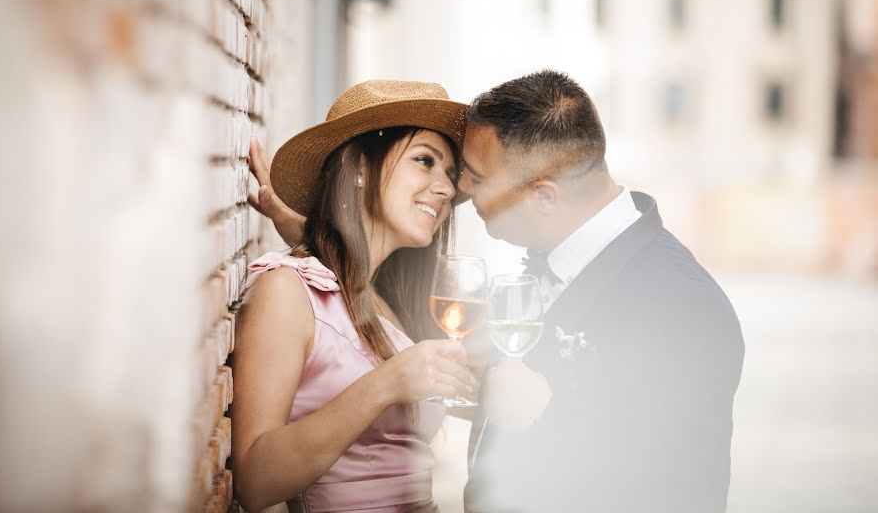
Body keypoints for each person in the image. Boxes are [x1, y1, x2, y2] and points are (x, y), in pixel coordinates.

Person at [255, 70, 745, 513]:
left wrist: (545, 419)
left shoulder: (682, 308)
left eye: (470, 175)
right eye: (436, 165)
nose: (458, 190)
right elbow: (345, 314)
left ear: (544, 197)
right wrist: (317, 230)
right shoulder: (543, 265)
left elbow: (673, 491)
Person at [231, 79, 479, 513]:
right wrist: (386, 385)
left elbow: (343, 280)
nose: (447, 188)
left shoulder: (388, 300)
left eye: (450, 174)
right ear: (360, 167)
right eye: (426, 161)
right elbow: (254, 483)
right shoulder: (284, 293)